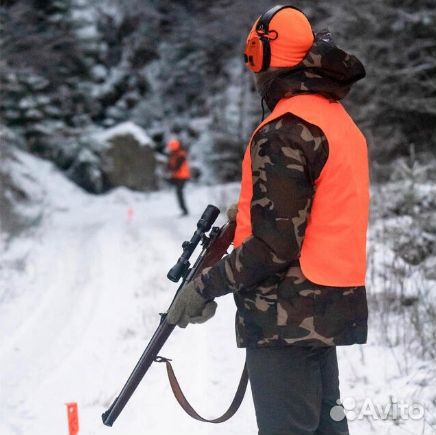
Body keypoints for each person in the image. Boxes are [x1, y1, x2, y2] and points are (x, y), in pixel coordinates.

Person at [167, 5, 369, 435]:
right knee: (326, 427)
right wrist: (255, 215)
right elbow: (318, 209)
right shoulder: (335, 119)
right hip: (326, 306)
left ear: (261, 56)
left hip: (285, 316)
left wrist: (204, 286)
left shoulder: (284, 130)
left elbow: (275, 246)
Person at [166, 138, 190, 216]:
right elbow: (170, 165)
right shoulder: (174, 154)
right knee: (178, 193)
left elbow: (176, 166)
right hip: (177, 177)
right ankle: (184, 210)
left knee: (179, 193)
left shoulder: (180, 154)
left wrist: (170, 170)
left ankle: (185, 210)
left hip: (182, 177)